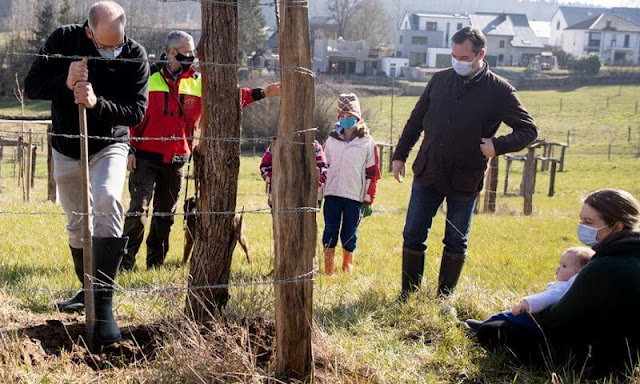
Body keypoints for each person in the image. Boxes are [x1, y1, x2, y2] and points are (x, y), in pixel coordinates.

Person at [24, 1, 149, 345]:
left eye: (118, 43)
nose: (113, 51)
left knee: (108, 200)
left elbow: (136, 112)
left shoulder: (135, 55)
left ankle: (103, 307)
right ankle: (86, 291)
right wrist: (65, 81)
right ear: (88, 31)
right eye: (105, 46)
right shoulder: (62, 41)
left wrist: (97, 104)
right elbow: (32, 85)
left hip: (109, 143)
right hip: (66, 145)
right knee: (77, 221)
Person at [391, 26, 538, 300]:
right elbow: (415, 121)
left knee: (456, 240)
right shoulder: (439, 80)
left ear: (480, 54)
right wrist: (400, 155)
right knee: (412, 233)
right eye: (454, 56)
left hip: (465, 177)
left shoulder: (500, 90)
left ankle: (444, 297)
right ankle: (407, 294)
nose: (457, 62)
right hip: (429, 170)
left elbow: (529, 130)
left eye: (464, 57)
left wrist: (498, 145)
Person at [122, 30, 282, 270]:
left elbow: (228, 98)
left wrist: (261, 93)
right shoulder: (147, 77)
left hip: (177, 159)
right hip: (145, 155)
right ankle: (125, 263)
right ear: (172, 52)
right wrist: (129, 149)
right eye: (188, 53)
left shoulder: (197, 82)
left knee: (165, 216)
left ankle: (155, 264)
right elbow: (131, 114)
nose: (193, 57)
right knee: (138, 211)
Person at [473, 189, 640, 377]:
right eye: (581, 220)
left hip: (592, 362)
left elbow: (556, 318)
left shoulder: (604, 266)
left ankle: (486, 325)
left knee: (491, 331)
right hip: (628, 359)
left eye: (589, 222)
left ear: (617, 227)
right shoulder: (631, 255)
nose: (582, 226)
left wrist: (534, 305)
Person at [465, 247, 593, 333]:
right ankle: (481, 326)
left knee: (506, 316)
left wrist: (525, 304)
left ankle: (480, 327)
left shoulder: (564, 287)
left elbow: (548, 297)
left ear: (579, 273)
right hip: (542, 321)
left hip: (536, 320)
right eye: (560, 264)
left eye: (564, 266)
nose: (558, 268)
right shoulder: (570, 285)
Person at [322, 93, 380, 276]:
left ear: (358, 117)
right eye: (344, 117)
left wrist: (368, 200)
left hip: (354, 197)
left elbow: (373, 173)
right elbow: (323, 167)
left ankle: (347, 268)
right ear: (339, 118)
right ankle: (328, 270)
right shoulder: (331, 140)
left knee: (349, 234)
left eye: (351, 117)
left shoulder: (368, 143)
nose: (347, 120)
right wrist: (318, 193)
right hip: (332, 193)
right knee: (330, 230)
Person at [259, 140, 328, 208]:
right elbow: (264, 168)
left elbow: (323, 169)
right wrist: (277, 180)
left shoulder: (314, 145)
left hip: (306, 196)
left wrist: (314, 181)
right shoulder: (275, 145)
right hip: (279, 196)